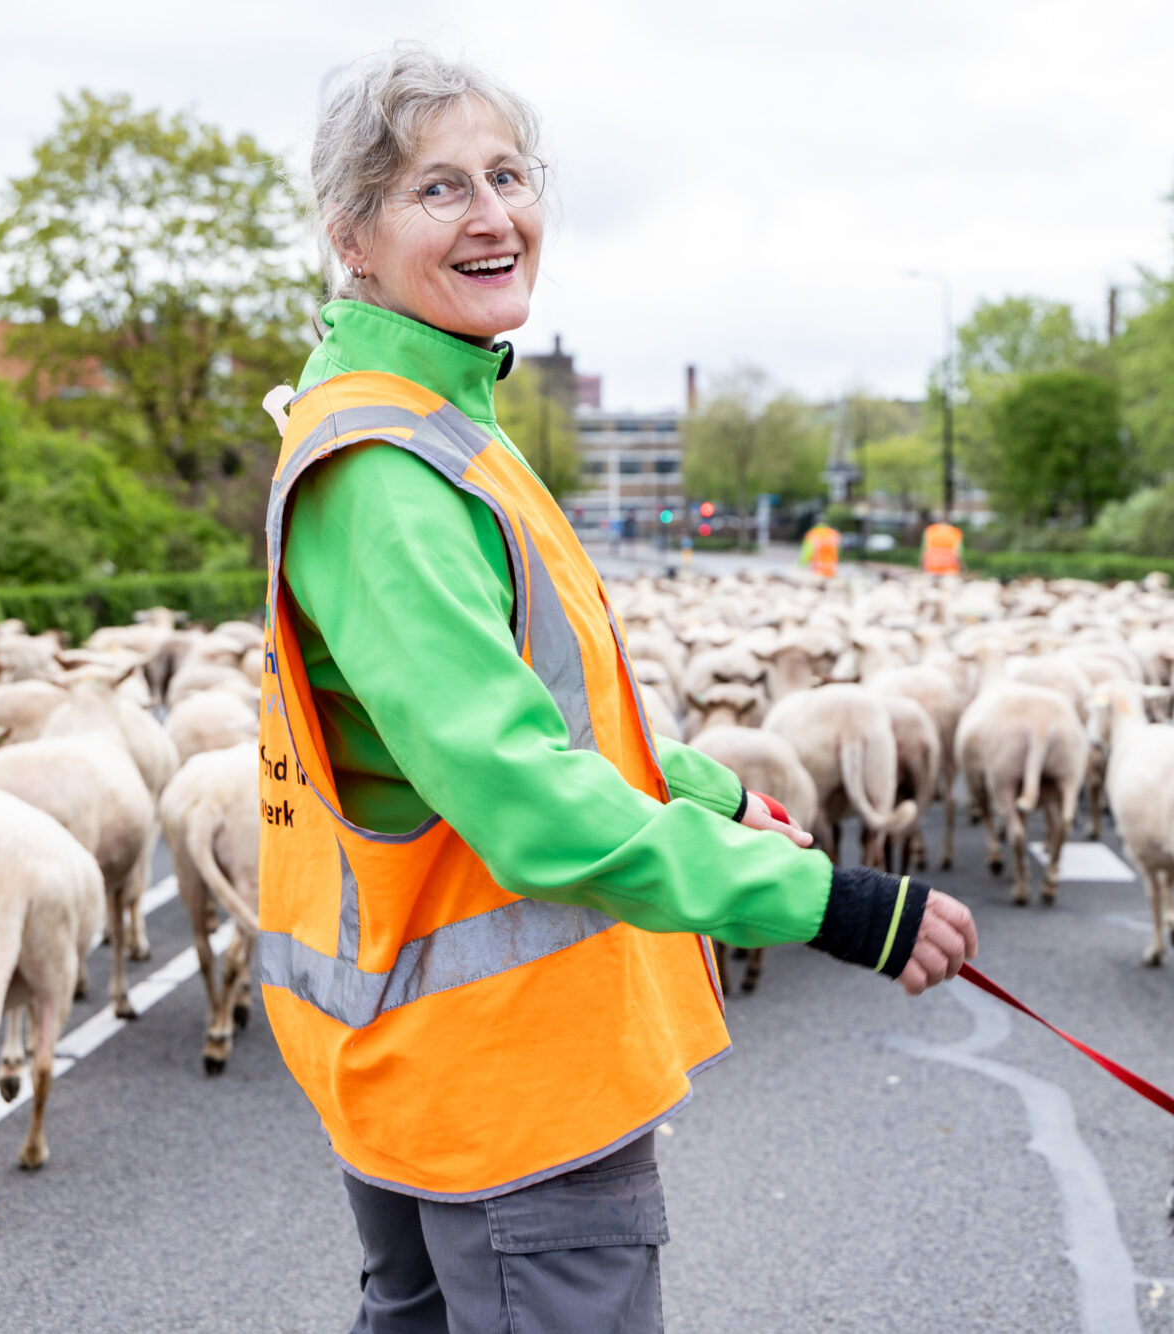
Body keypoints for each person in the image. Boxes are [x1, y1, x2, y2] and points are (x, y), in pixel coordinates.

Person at [259, 45, 978, 1334]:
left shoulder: (438, 429)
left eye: (509, 175)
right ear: (350, 234)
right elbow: (526, 797)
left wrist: (707, 794)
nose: (492, 215)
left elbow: (539, 717)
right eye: (437, 189)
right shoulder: (386, 471)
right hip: (508, 1080)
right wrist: (832, 902)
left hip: (427, 1062)